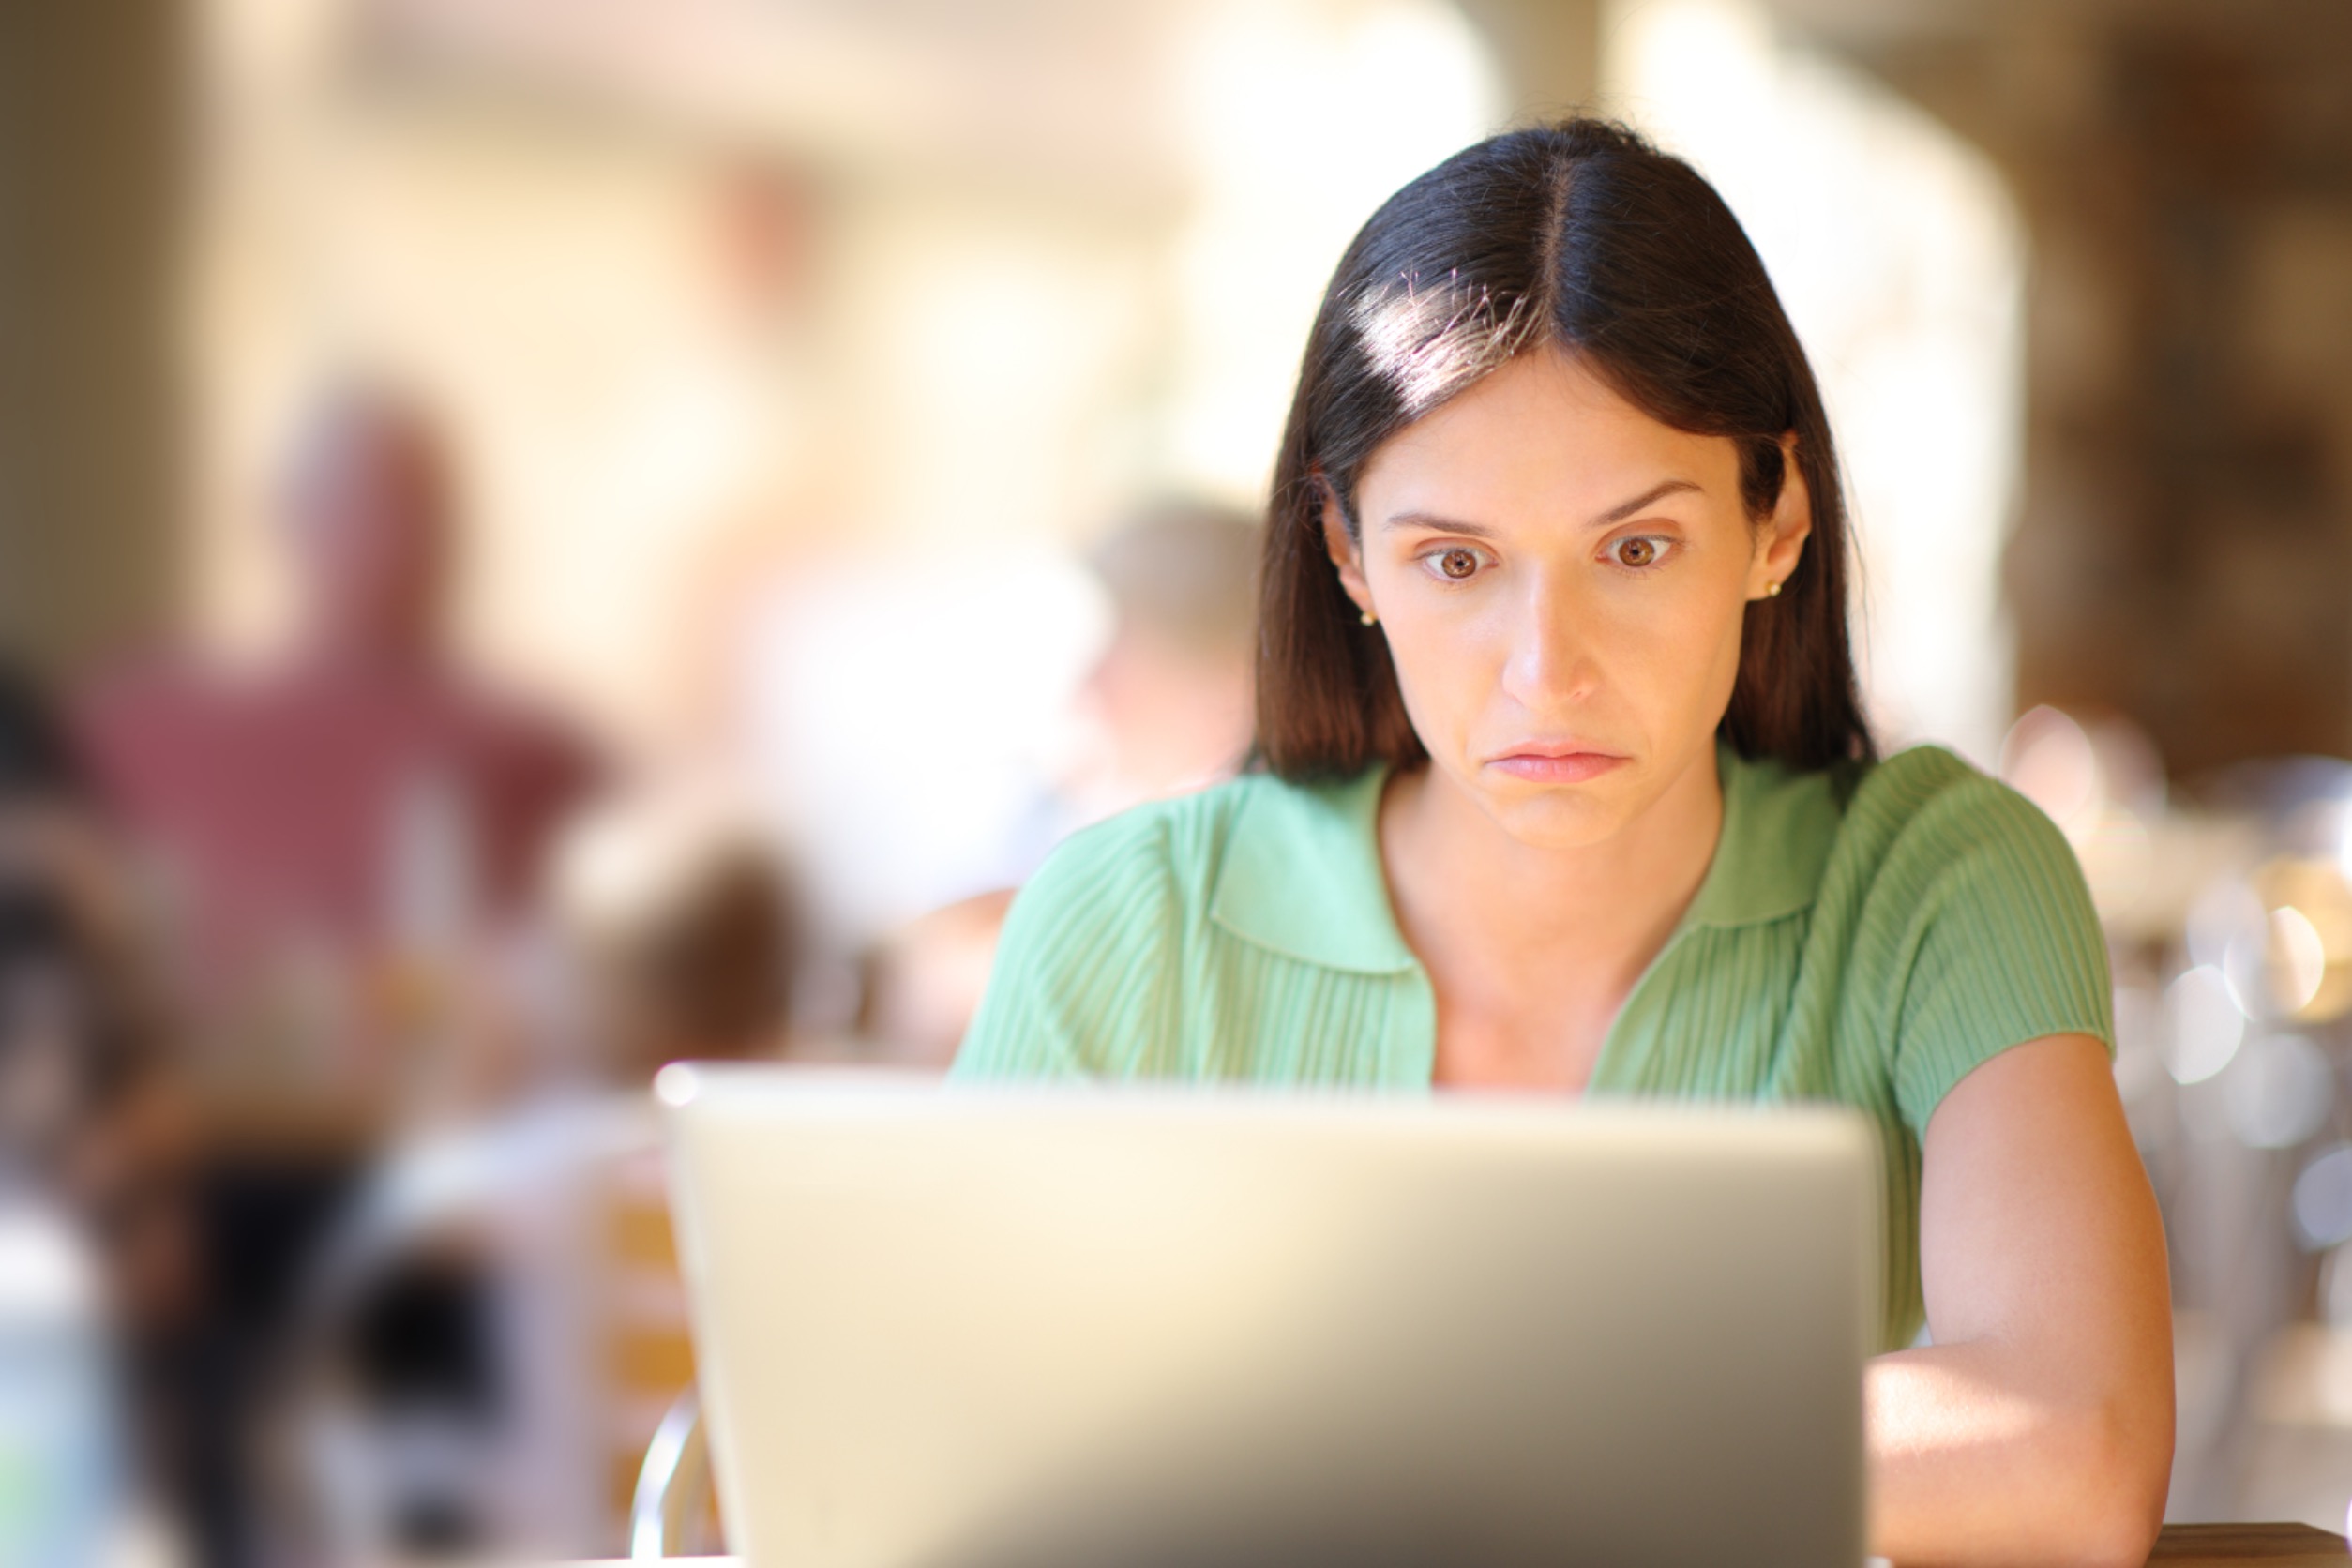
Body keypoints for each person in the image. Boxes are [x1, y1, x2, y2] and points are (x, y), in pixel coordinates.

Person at [956, 120, 2172, 1567]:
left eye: (1638, 548)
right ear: (1348, 553)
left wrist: (1391, 1451)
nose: (1548, 670)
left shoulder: (1936, 885)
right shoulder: (1130, 918)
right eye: (1455, 561)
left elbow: (2072, 1450)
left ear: (1774, 521)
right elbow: (953, 1466)